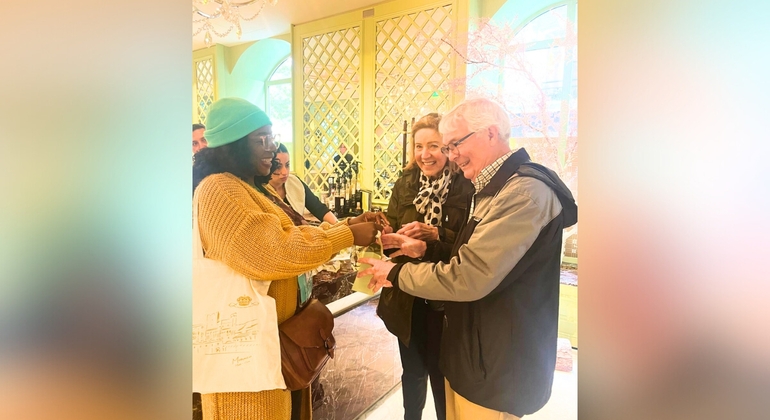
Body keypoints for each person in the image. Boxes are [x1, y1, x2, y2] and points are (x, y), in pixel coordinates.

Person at [360, 97, 577, 419]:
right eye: (445, 147)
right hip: (472, 351)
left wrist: (394, 273)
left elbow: (468, 275)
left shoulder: (521, 193)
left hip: (495, 365)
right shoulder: (492, 186)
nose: (451, 155)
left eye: (452, 144)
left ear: (490, 133)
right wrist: (424, 248)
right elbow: (473, 254)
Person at [192, 97, 381, 420]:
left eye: (272, 137)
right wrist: (347, 235)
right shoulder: (219, 189)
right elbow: (271, 251)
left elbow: (295, 231)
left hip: (275, 343)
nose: (272, 147)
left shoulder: (251, 187)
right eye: (261, 139)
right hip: (244, 363)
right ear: (233, 144)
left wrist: (349, 224)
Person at [377, 113, 474, 420]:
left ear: (448, 148)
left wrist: (435, 235)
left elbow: (472, 249)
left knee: (443, 376)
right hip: (407, 296)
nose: (424, 154)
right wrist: (386, 236)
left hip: (447, 299)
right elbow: (391, 236)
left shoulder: (466, 185)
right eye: (419, 146)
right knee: (413, 371)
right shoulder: (405, 183)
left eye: (433, 145)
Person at [257, 143, 338, 224]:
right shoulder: (259, 191)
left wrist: (338, 225)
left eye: (287, 165)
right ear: (267, 165)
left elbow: (319, 209)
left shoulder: (295, 182)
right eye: (278, 166)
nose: (285, 172)